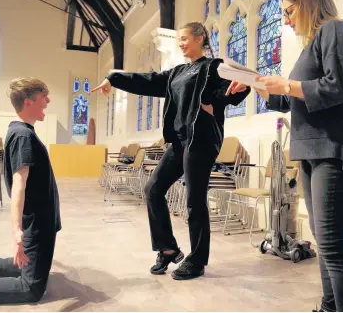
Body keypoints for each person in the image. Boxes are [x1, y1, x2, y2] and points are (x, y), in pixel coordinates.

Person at [227, 0, 343, 312]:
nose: (286, 20)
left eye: (290, 11)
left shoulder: (337, 30)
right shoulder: (312, 47)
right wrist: (258, 85)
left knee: (335, 245)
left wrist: (289, 84)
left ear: (309, 3)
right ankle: (328, 307)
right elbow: (290, 99)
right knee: (325, 244)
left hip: (335, 150)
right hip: (312, 152)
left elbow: (338, 87)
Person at [93, 22, 250, 280]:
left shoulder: (213, 67)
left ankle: (197, 261)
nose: (181, 43)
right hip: (178, 141)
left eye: (185, 38)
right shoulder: (177, 72)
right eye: (179, 40)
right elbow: (148, 81)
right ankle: (167, 248)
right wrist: (114, 77)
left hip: (200, 140)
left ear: (200, 39)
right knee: (153, 189)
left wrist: (237, 91)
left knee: (194, 199)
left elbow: (229, 93)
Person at [0, 78, 61, 306]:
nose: (48, 101)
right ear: (29, 102)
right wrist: (16, 230)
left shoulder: (20, 131)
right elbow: (20, 183)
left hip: (42, 222)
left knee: (31, 265)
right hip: (37, 223)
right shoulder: (23, 135)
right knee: (30, 289)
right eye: (43, 97)